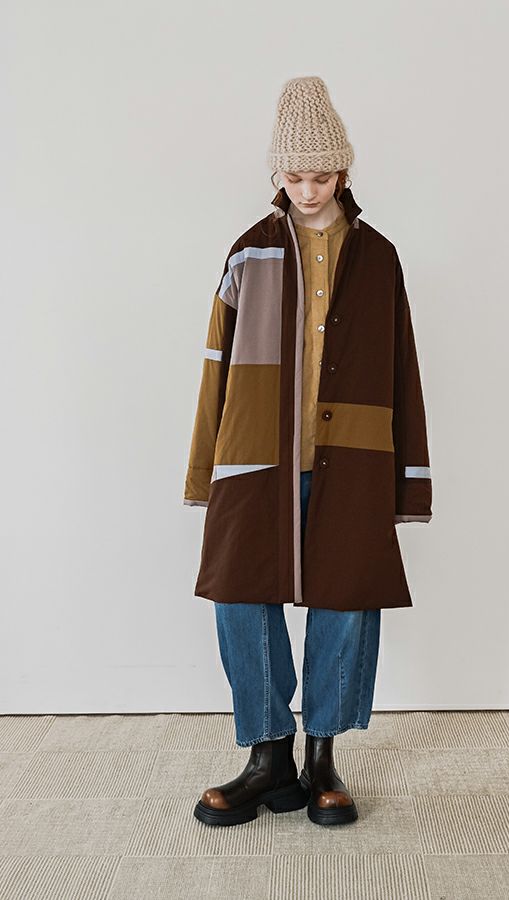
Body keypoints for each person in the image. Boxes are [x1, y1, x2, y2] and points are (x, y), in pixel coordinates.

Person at [184, 76, 432, 828]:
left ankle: (322, 759)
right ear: (277, 173)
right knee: (240, 594)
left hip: (352, 457)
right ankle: (269, 760)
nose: (307, 189)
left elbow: (402, 370)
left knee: (345, 601)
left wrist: (408, 482)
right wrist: (204, 469)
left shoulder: (379, 257)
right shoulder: (249, 253)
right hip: (255, 452)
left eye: (320, 174)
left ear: (343, 170)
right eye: (293, 175)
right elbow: (216, 367)